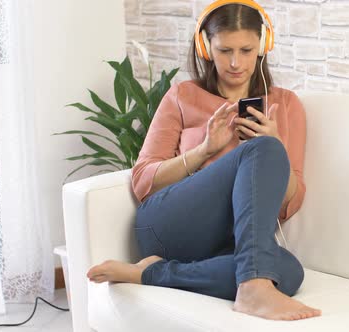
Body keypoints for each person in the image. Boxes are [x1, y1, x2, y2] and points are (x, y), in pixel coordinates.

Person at [87, 0, 321, 321]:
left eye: (246, 50)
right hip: (167, 227)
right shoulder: (182, 96)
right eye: (225, 50)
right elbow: (143, 180)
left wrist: (276, 143)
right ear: (206, 46)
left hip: (226, 244)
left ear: (263, 46)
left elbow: (287, 205)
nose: (236, 63)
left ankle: (151, 273)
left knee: (288, 272)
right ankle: (253, 287)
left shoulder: (285, 105)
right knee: (261, 150)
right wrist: (205, 150)